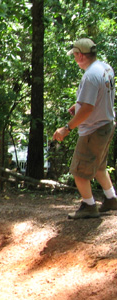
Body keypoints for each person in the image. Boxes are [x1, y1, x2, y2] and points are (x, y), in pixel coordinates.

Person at [53, 38, 117, 219]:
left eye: (74, 55)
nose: (74, 58)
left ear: (80, 55)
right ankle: (111, 198)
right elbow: (97, 97)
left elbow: (89, 108)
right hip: (107, 124)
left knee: (79, 172)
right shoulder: (105, 68)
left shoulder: (90, 76)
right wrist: (77, 105)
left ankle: (89, 206)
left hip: (93, 129)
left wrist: (67, 128)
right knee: (99, 167)